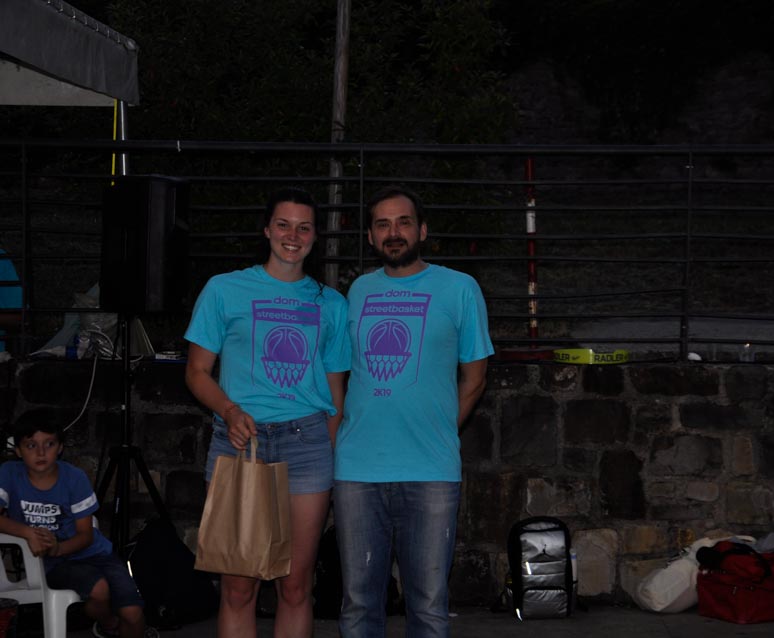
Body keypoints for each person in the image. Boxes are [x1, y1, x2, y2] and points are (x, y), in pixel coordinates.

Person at [184, 187, 350, 638]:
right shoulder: (224, 290)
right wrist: (229, 410)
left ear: (315, 236)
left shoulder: (332, 304)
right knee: (239, 588)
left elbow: (335, 392)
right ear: (266, 230)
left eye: (303, 227)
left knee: (295, 586)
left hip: (307, 444)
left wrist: (334, 454)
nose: (292, 236)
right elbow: (196, 372)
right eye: (283, 225)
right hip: (240, 443)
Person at [334, 185, 494, 637]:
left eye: (403, 222)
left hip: (431, 471)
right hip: (357, 471)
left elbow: (475, 378)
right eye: (382, 224)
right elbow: (340, 374)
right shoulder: (358, 291)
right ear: (370, 236)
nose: (394, 232)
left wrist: (439, 427)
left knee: (427, 606)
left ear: (422, 230)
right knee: (358, 605)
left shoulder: (460, 289)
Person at [0, 422, 156, 638]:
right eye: (31, 445)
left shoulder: (74, 477)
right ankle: (109, 625)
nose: (41, 453)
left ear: (60, 447)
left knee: (133, 612)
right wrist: (28, 533)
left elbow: (86, 536)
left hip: (94, 553)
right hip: (51, 563)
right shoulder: (9, 473)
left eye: (49, 444)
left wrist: (57, 547)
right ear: (18, 450)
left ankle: (122, 626)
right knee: (99, 590)